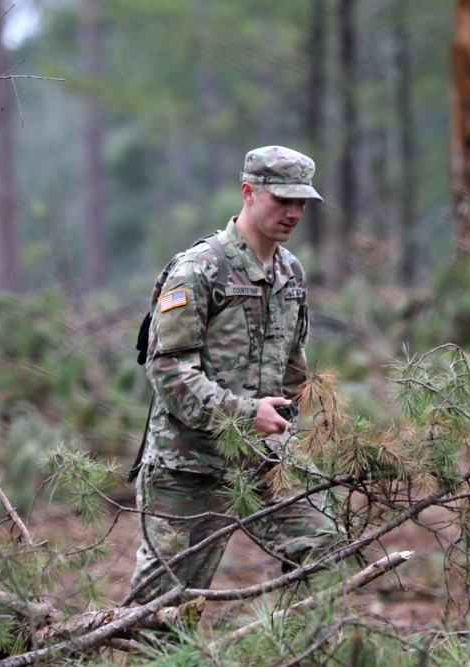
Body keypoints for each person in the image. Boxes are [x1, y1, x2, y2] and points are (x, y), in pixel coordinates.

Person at [130, 146, 338, 603]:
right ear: (247, 192)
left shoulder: (290, 271)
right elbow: (167, 371)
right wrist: (246, 414)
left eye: (301, 202)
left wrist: (300, 425)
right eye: (283, 200)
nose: (294, 212)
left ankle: (294, 647)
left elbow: (292, 366)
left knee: (322, 549)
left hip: (265, 460)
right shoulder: (200, 269)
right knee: (165, 606)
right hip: (189, 467)